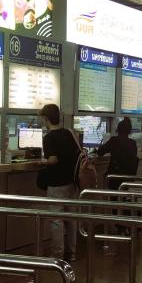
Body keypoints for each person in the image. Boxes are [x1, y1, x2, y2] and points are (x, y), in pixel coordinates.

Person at [38, 104, 80, 261]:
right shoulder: (68, 133)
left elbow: (53, 160)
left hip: (56, 183)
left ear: (46, 119)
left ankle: (57, 255)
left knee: (56, 219)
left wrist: (43, 161)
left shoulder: (49, 137)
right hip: (72, 181)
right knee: (71, 218)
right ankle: (72, 252)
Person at [94, 118, 139, 191]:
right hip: (127, 176)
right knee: (123, 193)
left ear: (118, 130)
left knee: (113, 194)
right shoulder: (133, 143)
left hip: (114, 176)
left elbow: (100, 152)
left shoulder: (114, 141)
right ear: (129, 131)